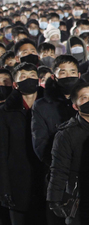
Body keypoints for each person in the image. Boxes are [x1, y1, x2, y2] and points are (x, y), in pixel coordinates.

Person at [47, 81, 89, 225]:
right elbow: (59, 169)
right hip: (80, 196)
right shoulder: (66, 134)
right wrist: (54, 199)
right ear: (75, 106)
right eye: (84, 98)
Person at [0, 62, 46, 225]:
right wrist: (4, 188)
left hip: (45, 179)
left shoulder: (49, 106)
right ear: (15, 84)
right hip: (17, 182)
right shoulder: (5, 112)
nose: (28, 80)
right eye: (23, 77)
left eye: (32, 76)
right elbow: (2, 152)